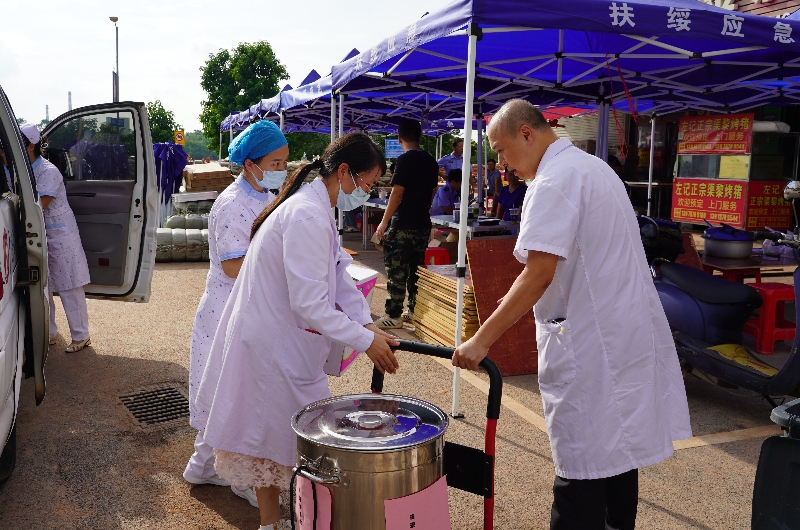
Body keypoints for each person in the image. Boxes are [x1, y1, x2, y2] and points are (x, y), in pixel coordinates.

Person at [451, 99, 691, 530]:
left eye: (501, 150)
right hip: (619, 334)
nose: (502, 164)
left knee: (581, 465)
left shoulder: (554, 182)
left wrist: (480, 340)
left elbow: (538, 275)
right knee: (619, 454)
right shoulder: (595, 169)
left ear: (527, 133)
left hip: (591, 344)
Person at [194, 133, 400, 530]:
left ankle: (282, 521)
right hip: (273, 344)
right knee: (281, 437)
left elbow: (340, 272)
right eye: (369, 183)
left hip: (281, 340)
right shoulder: (307, 213)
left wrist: (366, 322)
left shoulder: (318, 208)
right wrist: (366, 340)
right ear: (344, 171)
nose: (368, 192)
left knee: (274, 435)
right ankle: (277, 522)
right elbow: (310, 303)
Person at [184, 120, 289, 509]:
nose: (282, 168)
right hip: (227, 307)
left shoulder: (262, 196)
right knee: (233, 391)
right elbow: (232, 266)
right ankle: (241, 477)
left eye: (284, 161)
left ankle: (202, 466)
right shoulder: (232, 204)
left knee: (224, 388)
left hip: (244, 304)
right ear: (250, 164)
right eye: (275, 162)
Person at [20, 123, 92, 353]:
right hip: (40, 233)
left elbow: (42, 204)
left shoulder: (48, 171)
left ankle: (81, 336)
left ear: (30, 145)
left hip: (60, 234)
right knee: (44, 285)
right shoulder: (26, 169)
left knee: (70, 285)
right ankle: (49, 332)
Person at [374, 119, 439, 329]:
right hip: (422, 223)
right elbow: (431, 193)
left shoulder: (404, 160)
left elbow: (397, 192)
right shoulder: (431, 161)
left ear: (399, 138)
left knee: (396, 270)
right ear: (420, 137)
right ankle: (413, 310)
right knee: (416, 269)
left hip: (403, 224)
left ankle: (393, 315)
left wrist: (384, 222)